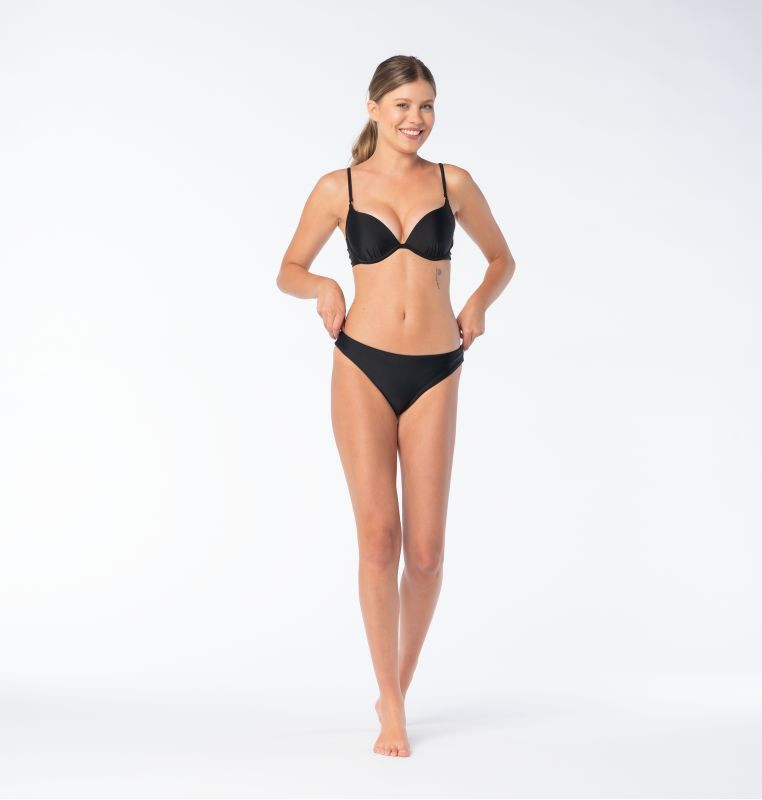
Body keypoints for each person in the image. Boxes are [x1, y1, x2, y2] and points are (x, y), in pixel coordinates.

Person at [276, 55, 515, 757]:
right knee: (380, 541)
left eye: (427, 105)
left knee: (428, 555)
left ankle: (395, 690)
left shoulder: (452, 182)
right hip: (363, 365)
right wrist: (323, 286)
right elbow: (287, 269)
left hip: (438, 369)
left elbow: (502, 259)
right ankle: (393, 707)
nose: (417, 118)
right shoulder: (339, 187)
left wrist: (478, 301)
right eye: (404, 104)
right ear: (374, 107)